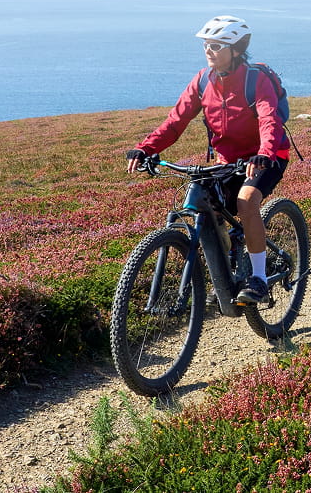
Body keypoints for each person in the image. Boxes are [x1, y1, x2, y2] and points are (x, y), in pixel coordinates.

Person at [124, 15, 291, 304]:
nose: (208, 50)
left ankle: (260, 278)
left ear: (236, 50)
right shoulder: (203, 80)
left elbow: (269, 119)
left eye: (216, 45)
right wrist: (146, 148)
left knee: (246, 199)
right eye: (206, 45)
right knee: (208, 205)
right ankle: (229, 266)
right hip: (227, 160)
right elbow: (175, 122)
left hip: (267, 155)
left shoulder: (256, 80)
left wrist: (263, 153)